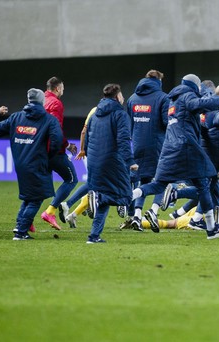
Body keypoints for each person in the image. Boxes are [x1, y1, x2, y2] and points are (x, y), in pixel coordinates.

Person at [131, 74, 219, 239]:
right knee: (205, 183)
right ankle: (211, 228)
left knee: (158, 185)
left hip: (169, 147)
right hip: (186, 147)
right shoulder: (188, 95)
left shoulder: (174, 99)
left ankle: (128, 195)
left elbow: (185, 121)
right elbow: (199, 104)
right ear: (194, 85)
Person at [0, 89, 62, 240]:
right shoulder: (49, 120)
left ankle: (19, 225)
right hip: (37, 163)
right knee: (36, 198)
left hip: (20, 163)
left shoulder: (16, 117)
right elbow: (57, 141)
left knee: (30, 196)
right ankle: (21, 232)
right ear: (42, 101)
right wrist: (49, 155)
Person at [85, 84, 138, 244]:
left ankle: (94, 236)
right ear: (117, 96)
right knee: (126, 195)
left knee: (105, 199)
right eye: (122, 95)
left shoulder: (95, 114)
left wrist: (89, 155)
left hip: (94, 160)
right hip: (111, 161)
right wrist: (130, 161)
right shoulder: (120, 115)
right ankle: (98, 198)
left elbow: (87, 137)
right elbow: (123, 140)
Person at [124, 69, 169, 231]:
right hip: (157, 145)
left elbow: (129, 123)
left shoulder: (132, 98)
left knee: (143, 180)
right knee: (162, 179)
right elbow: (166, 122)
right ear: (159, 81)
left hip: (136, 144)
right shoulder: (163, 98)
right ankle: (153, 211)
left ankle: (136, 216)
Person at [41, 77, 78, 230]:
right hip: (54, 150)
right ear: (57, 88)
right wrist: (67, 145)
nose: (63, 91)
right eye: (62, 88)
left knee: (39, 187)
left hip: (39, 149)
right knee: (71, 179)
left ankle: (26, 221)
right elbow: (55, 130)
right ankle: (50, 211)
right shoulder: (56, 103)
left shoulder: (41, 100)